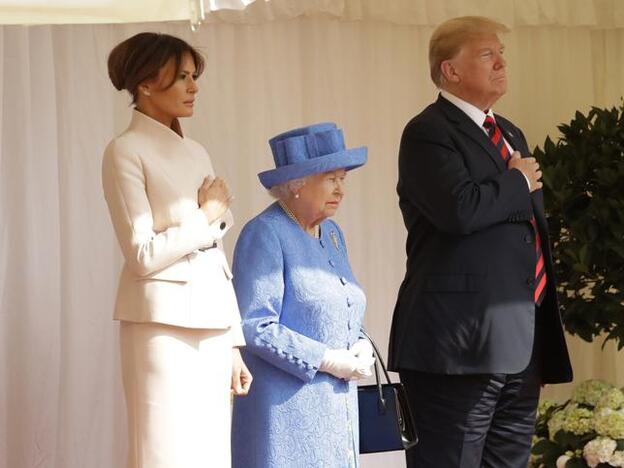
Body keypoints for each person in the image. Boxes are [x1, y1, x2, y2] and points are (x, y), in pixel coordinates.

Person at [387, 16, 573, 467]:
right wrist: (515, 181)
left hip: (517, 347)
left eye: (501, 53)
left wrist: (535, 342)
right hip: (455, 349)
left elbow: (528, 238)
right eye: (487, 54)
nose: (501, 62)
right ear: (450, 70)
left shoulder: (510, 132)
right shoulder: (428, 132)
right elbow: (460, 211)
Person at [102, 32, 252, 468]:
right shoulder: (125, 151)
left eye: (193, 76)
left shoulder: (196, 150)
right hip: (159, 325)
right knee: (163, 452)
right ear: (145, 84)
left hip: (213, 324)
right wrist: (208, 215)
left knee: (211, 453)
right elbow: (142, 254)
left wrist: (233, 343)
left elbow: (214, 256)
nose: (194, 86)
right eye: (182, 76)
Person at [230, 123, 374, 468]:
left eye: (343, 178)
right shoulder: (265, 234)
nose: (341, 189)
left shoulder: (333, 233)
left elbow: (343, 303)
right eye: (330, 178)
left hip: (337, 413)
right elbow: (254, 326)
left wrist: (360, 342)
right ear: (297, 183)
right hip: (286, 416)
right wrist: (325, 358)